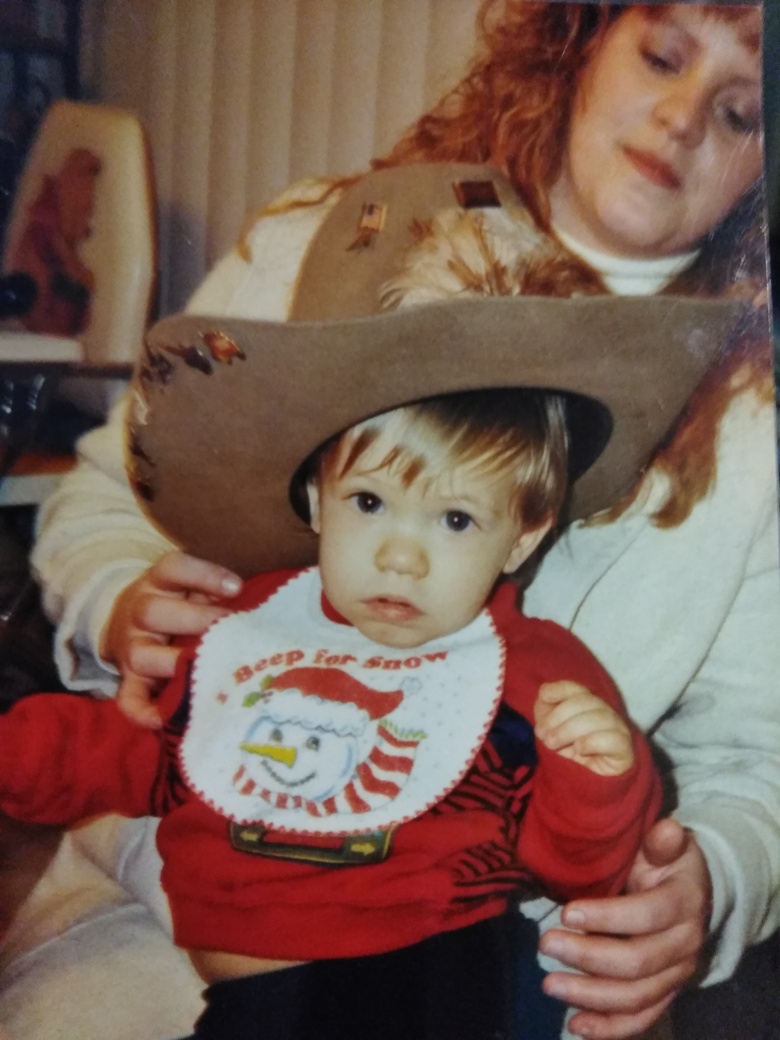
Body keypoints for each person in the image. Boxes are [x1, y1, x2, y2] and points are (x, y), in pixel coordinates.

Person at [29, 3, 778, 1038]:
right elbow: (105, 496)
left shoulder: (756, 425)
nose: (684, 117)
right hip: (176, 866)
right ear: (579, 36)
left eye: (742, 112)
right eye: (661, 56)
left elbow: (757, 753)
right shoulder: (320, 243)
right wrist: (122, 599)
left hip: (499, 942)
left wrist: (714, 877)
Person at [1, 376, 663, 1039]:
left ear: (521, 538)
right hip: (247, 999)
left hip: (425, 968)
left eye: (456, 520)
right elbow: (149, 751)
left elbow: (578, 870)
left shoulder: (532, 671)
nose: (400, 557)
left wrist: (598, 783)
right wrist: (28, 750)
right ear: (319, 501)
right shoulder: (246, 622)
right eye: (369, 502)